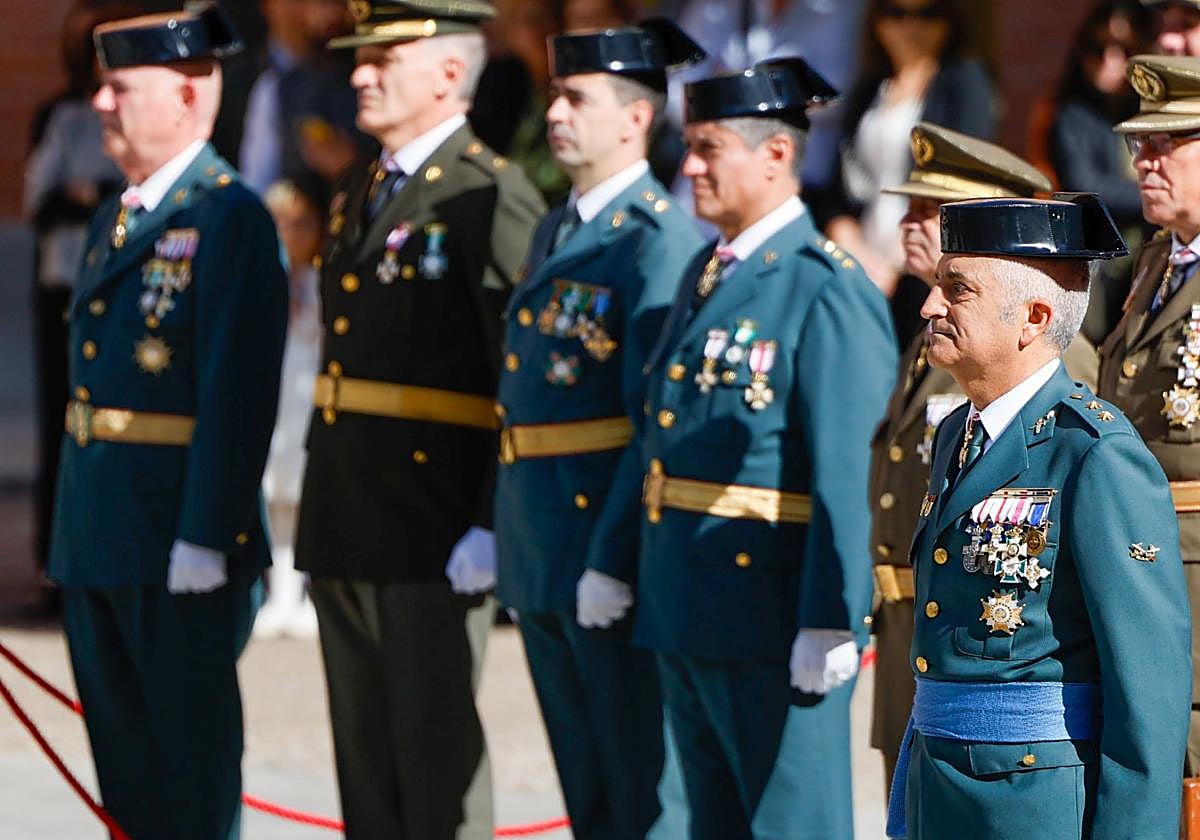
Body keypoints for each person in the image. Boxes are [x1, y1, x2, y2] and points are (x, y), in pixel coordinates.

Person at [589, 57, 897, 838]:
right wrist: (614, 554)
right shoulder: (707, 269)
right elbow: (661, 431)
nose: (687, 166)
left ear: (776, 155)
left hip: (769, 613)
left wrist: (834, 615)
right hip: (684, 598)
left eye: (708, 147)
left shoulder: (824, 284)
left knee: (789, 823)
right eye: (686, 146)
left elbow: (847, 469)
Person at [293, 1, 544, 837]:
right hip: (348, 508)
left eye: (384, 58)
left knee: (433, 766)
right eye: (359, 59)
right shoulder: (362, 188)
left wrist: (489, 519)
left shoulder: (487, 192)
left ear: (447, 72)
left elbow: (524, 375)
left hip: (434, 521)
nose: (360, 74)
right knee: (366, 770)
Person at [48, 6, 288, 838]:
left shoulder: (228, 217)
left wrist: (208, 533)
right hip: (103, 533)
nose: (101, 105)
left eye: (120, 88)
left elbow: (238, 392)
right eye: (101, 88)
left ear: (189, 96)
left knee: (188, 769)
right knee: (128, 775)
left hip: (176, 538)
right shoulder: (119, 215)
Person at [888, 192, 1190, 839]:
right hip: (939, 788)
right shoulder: (957, 437)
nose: (929, 307)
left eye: (956, 290)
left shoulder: (1095, 453)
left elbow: (1148, 687)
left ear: (1034, 316)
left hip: (1034, 800)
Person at [494, 19, 703, 839]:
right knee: (587, 783)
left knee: (640, 785)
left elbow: (650, 424)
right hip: (542, 537)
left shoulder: (656, 242)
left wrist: (613, 558)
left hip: (600, 542)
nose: (556, 113)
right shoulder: (556, 228)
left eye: (577, 97)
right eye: (553, 94)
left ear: (636, 119)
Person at [865, 121, 1099, 796]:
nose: (912, 223)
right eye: (908, 208)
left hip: (1005, 666)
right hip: (926, 638)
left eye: (932, 211)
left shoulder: (1041, 350)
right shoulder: (931, 340)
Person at [1103, 53, 1200, 777]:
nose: (1147, 160)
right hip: (1143, 560)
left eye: (1169, 143)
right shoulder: (1155, 261)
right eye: (1141, 144)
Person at [23, 0, 133, 601]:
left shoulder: (131, 118)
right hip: (62, 285)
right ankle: (52, 562)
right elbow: (41, 202)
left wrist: (90, 195)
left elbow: (131, 196)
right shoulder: (58, 115)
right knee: (58, 424)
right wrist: (90, 198)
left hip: (117, 286)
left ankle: (100, 557)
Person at [824, 0, 997, 297]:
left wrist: (895, 261)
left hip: (924, 262)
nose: (911, 26)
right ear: (876, 21)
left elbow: (961, 182)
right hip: (861, 259)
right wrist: (849, 244)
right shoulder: (870, 87)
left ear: (950, 21)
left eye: (928, 14)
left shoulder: (964, 82)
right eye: (896, 13)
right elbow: (840, 181)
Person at [1047, 0, 1153, 343]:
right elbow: (1087, 186)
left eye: (1125, 49)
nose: (1110, 61)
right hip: (1103, 263)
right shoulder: (1072, 115)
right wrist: (1158, 194)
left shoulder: (1149, 112)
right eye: (1098, 48)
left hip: (1154, 254)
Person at [256, 180, 323, 639]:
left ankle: (298, 594)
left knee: (303, 498)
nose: (290, 234)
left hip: (307, 398)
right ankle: (276, 594)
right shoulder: (257, 279)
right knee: (270, 496)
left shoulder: (323, 280)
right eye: (280, 223)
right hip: (271, 398)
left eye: (299, 224)